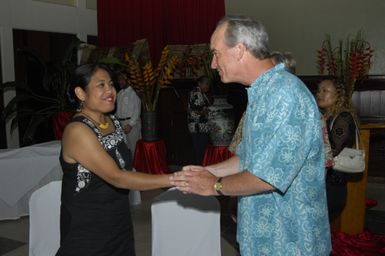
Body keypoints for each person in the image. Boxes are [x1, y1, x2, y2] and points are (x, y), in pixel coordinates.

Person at [171, 15, 331, 255]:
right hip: (263, 236)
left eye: (216, 53)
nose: (213, 64)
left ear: (239, 50)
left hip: (290, 239)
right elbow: (248, 157)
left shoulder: (285, 94)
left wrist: (213, 185)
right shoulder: (262, 93)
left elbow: (269, 176)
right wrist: (208, 171)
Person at [57, 63, 172, 255]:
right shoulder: (78, 131)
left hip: (118, 221)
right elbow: (117, 176)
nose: (110, 90)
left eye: (111, 84)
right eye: (100, 85)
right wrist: (173, 179)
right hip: (87, 228)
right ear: (81, 93)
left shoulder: (112, 121)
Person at [316, 78, 358, 223]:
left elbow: (331, 151)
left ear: (338, 95)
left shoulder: (343, 117)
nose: (319, 94)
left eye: (325, 91)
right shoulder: (327, 116)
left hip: (332, 185)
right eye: (319, 90)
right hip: (324, 182)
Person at [115, 71, 142, 158]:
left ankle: (137, 169)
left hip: (131, 124)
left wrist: (130, 125)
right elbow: (118, 110)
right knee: (125, 148)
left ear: (128, 80)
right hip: (121, 124)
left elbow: (137, 110)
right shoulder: (119, 94)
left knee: (135, 148)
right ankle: (128, 168)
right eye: (119, 80)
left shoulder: (134, 92)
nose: (120, 82)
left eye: (122, 79)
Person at [187, 75, 212, 165]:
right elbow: (197, 110)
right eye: (206, 84)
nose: (207, 86)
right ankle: (199, 172)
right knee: (200, 151)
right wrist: (208, 111)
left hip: (201, 127)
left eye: (208, 84)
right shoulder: (196, 93)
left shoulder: (201, 93)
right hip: (198, 127)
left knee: (201, 151)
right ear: (199, 83)